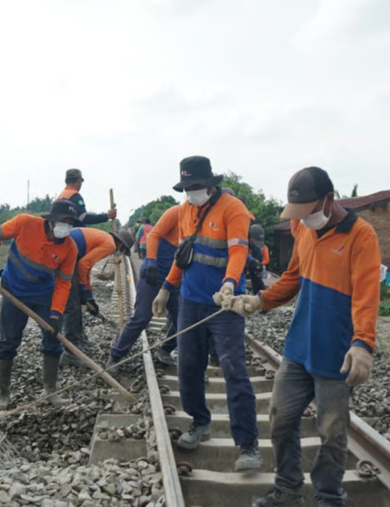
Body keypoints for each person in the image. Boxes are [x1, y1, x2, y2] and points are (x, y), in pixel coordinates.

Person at [226, 167, 380, 507]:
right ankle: (287, 490)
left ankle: (327, 497)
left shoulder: (361, 236)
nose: (301, 219)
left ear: (328, 200)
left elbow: (367, 295)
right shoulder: (302, 228)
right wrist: (261, 299)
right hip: (299, 347)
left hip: (336, 353)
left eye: (307, 211)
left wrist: (363, 343)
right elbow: (293, 277)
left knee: (331, 431)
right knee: (280, 417)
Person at [151, 155, 261, 472]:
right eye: (187, 187)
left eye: (197, 186)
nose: (192, 192)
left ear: (210, 184)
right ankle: (200, 423)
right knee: (188, 366)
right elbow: (183, 256)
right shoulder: (185, 211)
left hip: (225, 305)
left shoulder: (233, 208)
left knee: (234, 370)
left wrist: (229, 284)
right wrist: (166, 287)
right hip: (190, 301)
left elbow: (238, 250)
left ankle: (248, 444)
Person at [0, 199, 79, 410]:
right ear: (51, 221)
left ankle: (50, 390)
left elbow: (63, 283)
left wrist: (56, 314)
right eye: (63, 222)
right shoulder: (24, 223)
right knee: (8, 341)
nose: (65, 227)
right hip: (13, 291)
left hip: (43, 295)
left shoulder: (70, 248)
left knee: (52, 338)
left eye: (70, 223)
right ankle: (3, 394)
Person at [108, 205, 181, 372]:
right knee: (142, 317)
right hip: (153, 273)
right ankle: (115, 356)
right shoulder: (176, 212)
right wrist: (152, 263)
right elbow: (154, 236)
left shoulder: (205, 222)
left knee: (182, 318)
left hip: (176, 276)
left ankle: (165, 350)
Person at [60, 226, 135, 367]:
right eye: (123, 251)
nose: (120, 253)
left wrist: (89, 297)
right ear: (121, 245)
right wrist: (83, 293)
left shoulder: (105, 239)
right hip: (64, 257)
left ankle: (79, 337)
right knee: (72, 306)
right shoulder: (110, 245)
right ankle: (70, 351)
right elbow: (83, 266)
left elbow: (85, 269)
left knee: (76, 302)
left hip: (69, 256)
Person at [246, 224, 269, 294]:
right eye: (254, 242)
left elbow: (266, 260)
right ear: (249, 237)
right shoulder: (241, 245)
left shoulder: (257, 249)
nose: (255, 245)